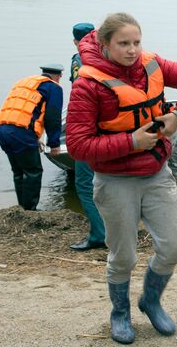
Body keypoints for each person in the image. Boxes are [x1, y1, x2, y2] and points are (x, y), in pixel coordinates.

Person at [66, 12, 177, 344]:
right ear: (105, 44)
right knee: (123, 256)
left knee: (174, 245)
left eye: (136, 42)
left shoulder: (153, 65)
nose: (132, 50)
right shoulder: (88, 85)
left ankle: (150, 300)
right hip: (114, 180)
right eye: (123, 43)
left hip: (156, 173)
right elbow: (77, 146)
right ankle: (120, 312)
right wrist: (131, 141)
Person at [0, 64, 64, 210]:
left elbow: (22, 110)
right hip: (20, 133)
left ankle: (22, 208)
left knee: (19, 171)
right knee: (33, 172)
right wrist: (54, 144)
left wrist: (34, 138)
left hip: (2, 130)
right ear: (59, 76)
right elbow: (53, 117)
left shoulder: (24, 82)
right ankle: (30, 211)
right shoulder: (54, 87)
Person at [68, 22, 108, 251]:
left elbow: (79, 93)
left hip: (90, 130)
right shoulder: (111, 55)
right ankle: (121, 229)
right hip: (114, 129)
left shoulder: (79, 59)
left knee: (84, 184)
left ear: (75, 41)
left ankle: (100, 235)